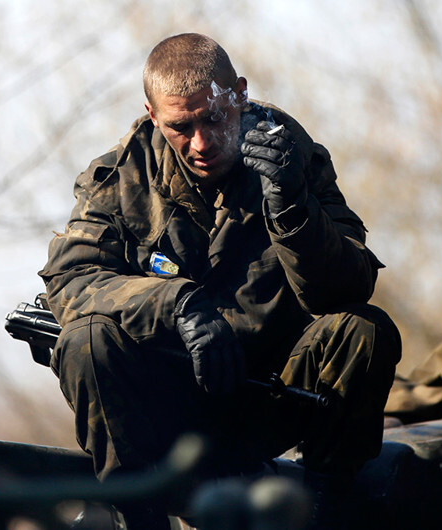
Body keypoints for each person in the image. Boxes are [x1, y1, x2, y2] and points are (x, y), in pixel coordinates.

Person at [38, 33, 401, 528]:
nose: (201, 143)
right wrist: (176, 306)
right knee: (86, 339)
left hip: (268, 399)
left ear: (240, 95)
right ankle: (138, 517)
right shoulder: (120, 179)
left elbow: (348, 287)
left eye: (214, 118)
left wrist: (293, 209)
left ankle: (324, 511)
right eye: (179, 127)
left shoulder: (292, 155)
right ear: (151, 115)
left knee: (365, 330)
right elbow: (71, 280)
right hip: (166, 408)